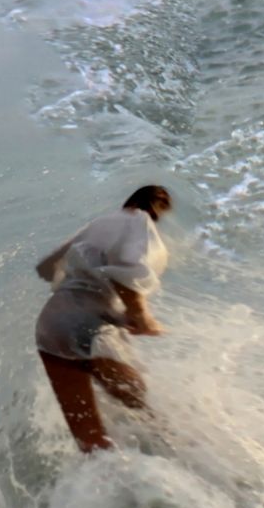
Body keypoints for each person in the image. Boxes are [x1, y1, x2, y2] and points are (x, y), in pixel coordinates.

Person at [34, 184, 172, 452]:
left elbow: (47, 267)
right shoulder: (138, 222)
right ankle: (173, 462)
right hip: (85, 324)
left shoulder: (99, 224)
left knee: (92, 442)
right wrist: (141, 315)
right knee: (143, 404)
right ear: (158, 208)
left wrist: (102, 299)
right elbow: (125, 266)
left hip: (51, 325)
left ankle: (106, 485)